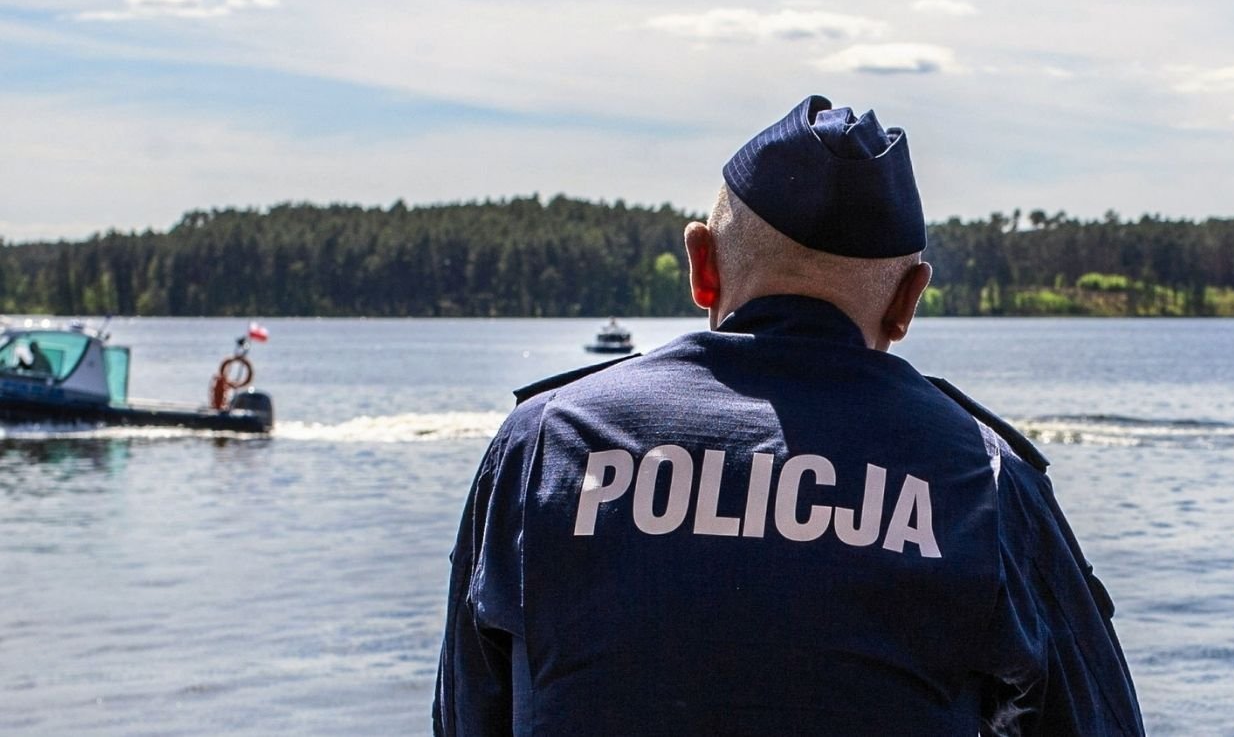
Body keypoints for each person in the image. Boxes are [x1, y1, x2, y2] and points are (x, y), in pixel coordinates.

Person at [434, 96, 1144, 735]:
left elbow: (466, 715)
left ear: (701, 264)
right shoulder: (984, 479)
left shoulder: (543, 444)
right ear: (906, 302)